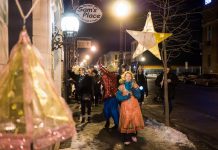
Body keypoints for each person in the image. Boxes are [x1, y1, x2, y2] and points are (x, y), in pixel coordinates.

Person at [116, 71, 144, 145]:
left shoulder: (134, 85)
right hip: (125, 106)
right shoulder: (121, 86)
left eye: (129, 76)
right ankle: (127, 137)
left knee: (135, 119)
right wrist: (125, 97)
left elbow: (139, 96)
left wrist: (134, 91)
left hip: (134, 105)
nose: (128, 77)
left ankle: (134, 134)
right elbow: (118, 97)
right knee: (127, 120)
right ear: (124, 77)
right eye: (126, 76)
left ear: (131, 77)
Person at [99, 64, 119, 129]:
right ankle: (108, 121)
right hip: (107, 96)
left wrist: (101, 68)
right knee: (107, 110)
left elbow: (108, 74)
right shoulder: (104, 76)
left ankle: (116, 123)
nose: (108, 69)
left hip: (113, 95)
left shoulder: (115, 75)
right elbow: (102, 83)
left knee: (113, 110)